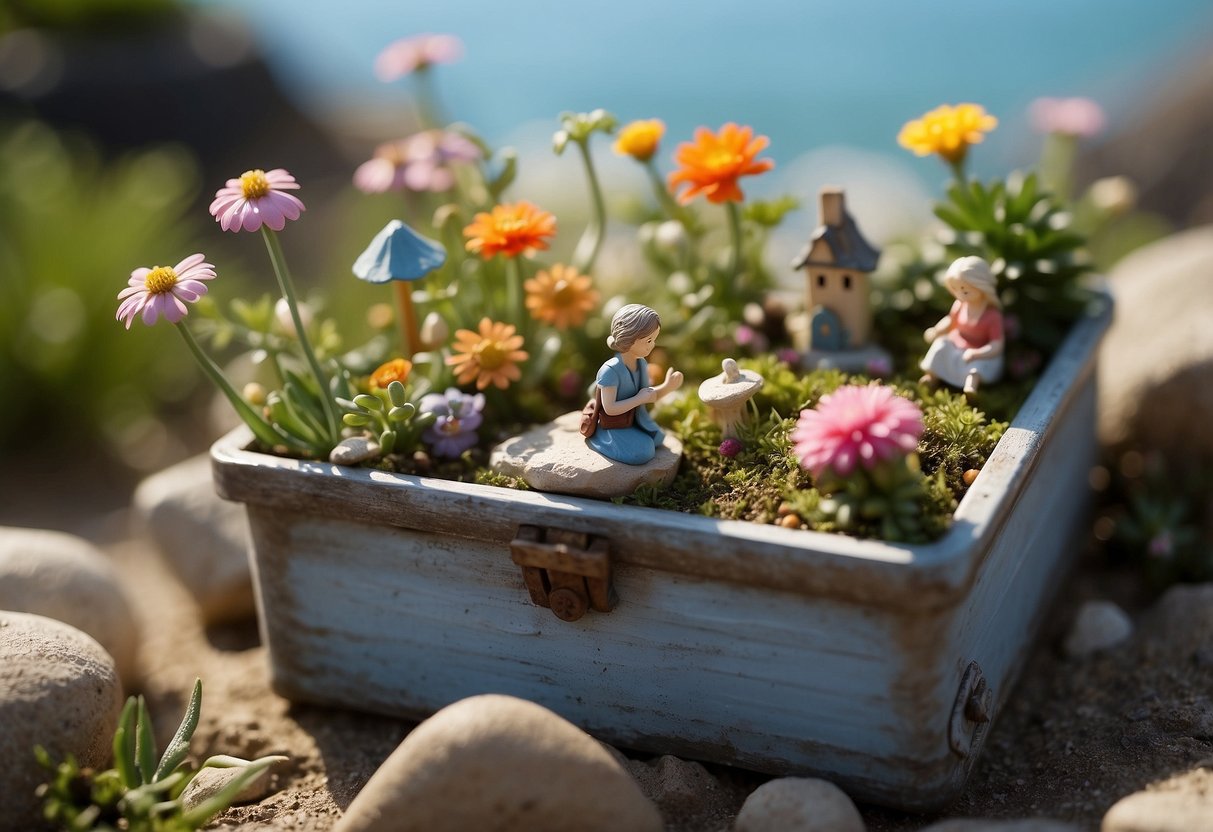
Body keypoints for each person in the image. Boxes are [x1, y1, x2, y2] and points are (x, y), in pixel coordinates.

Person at [586, 304, 684, 465]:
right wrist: (638, 399)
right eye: (649, 340)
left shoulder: (642, 364)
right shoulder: (609, 370)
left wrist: (668, 387)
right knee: (645, 451)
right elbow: (610, 408)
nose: (652, 345)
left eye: (654, 339)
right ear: (628, 338)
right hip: (612, 426)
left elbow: (648, 394)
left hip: (635, 419)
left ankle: (636, 435)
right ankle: (599, 439)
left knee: (657, 439)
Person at [920, 256, 1005, 399]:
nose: (959, 295)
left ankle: (971, 386)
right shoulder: (960, 305)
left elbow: (997, 344)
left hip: (978, 350)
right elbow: (950, 320)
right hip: (956, 344)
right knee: (940, 345)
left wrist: (977, 353)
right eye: (955, 289)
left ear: (982, 287)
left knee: (976, 366)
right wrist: (936, 330)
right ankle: (932, 376)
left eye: (965, 291)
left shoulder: (992, 315)